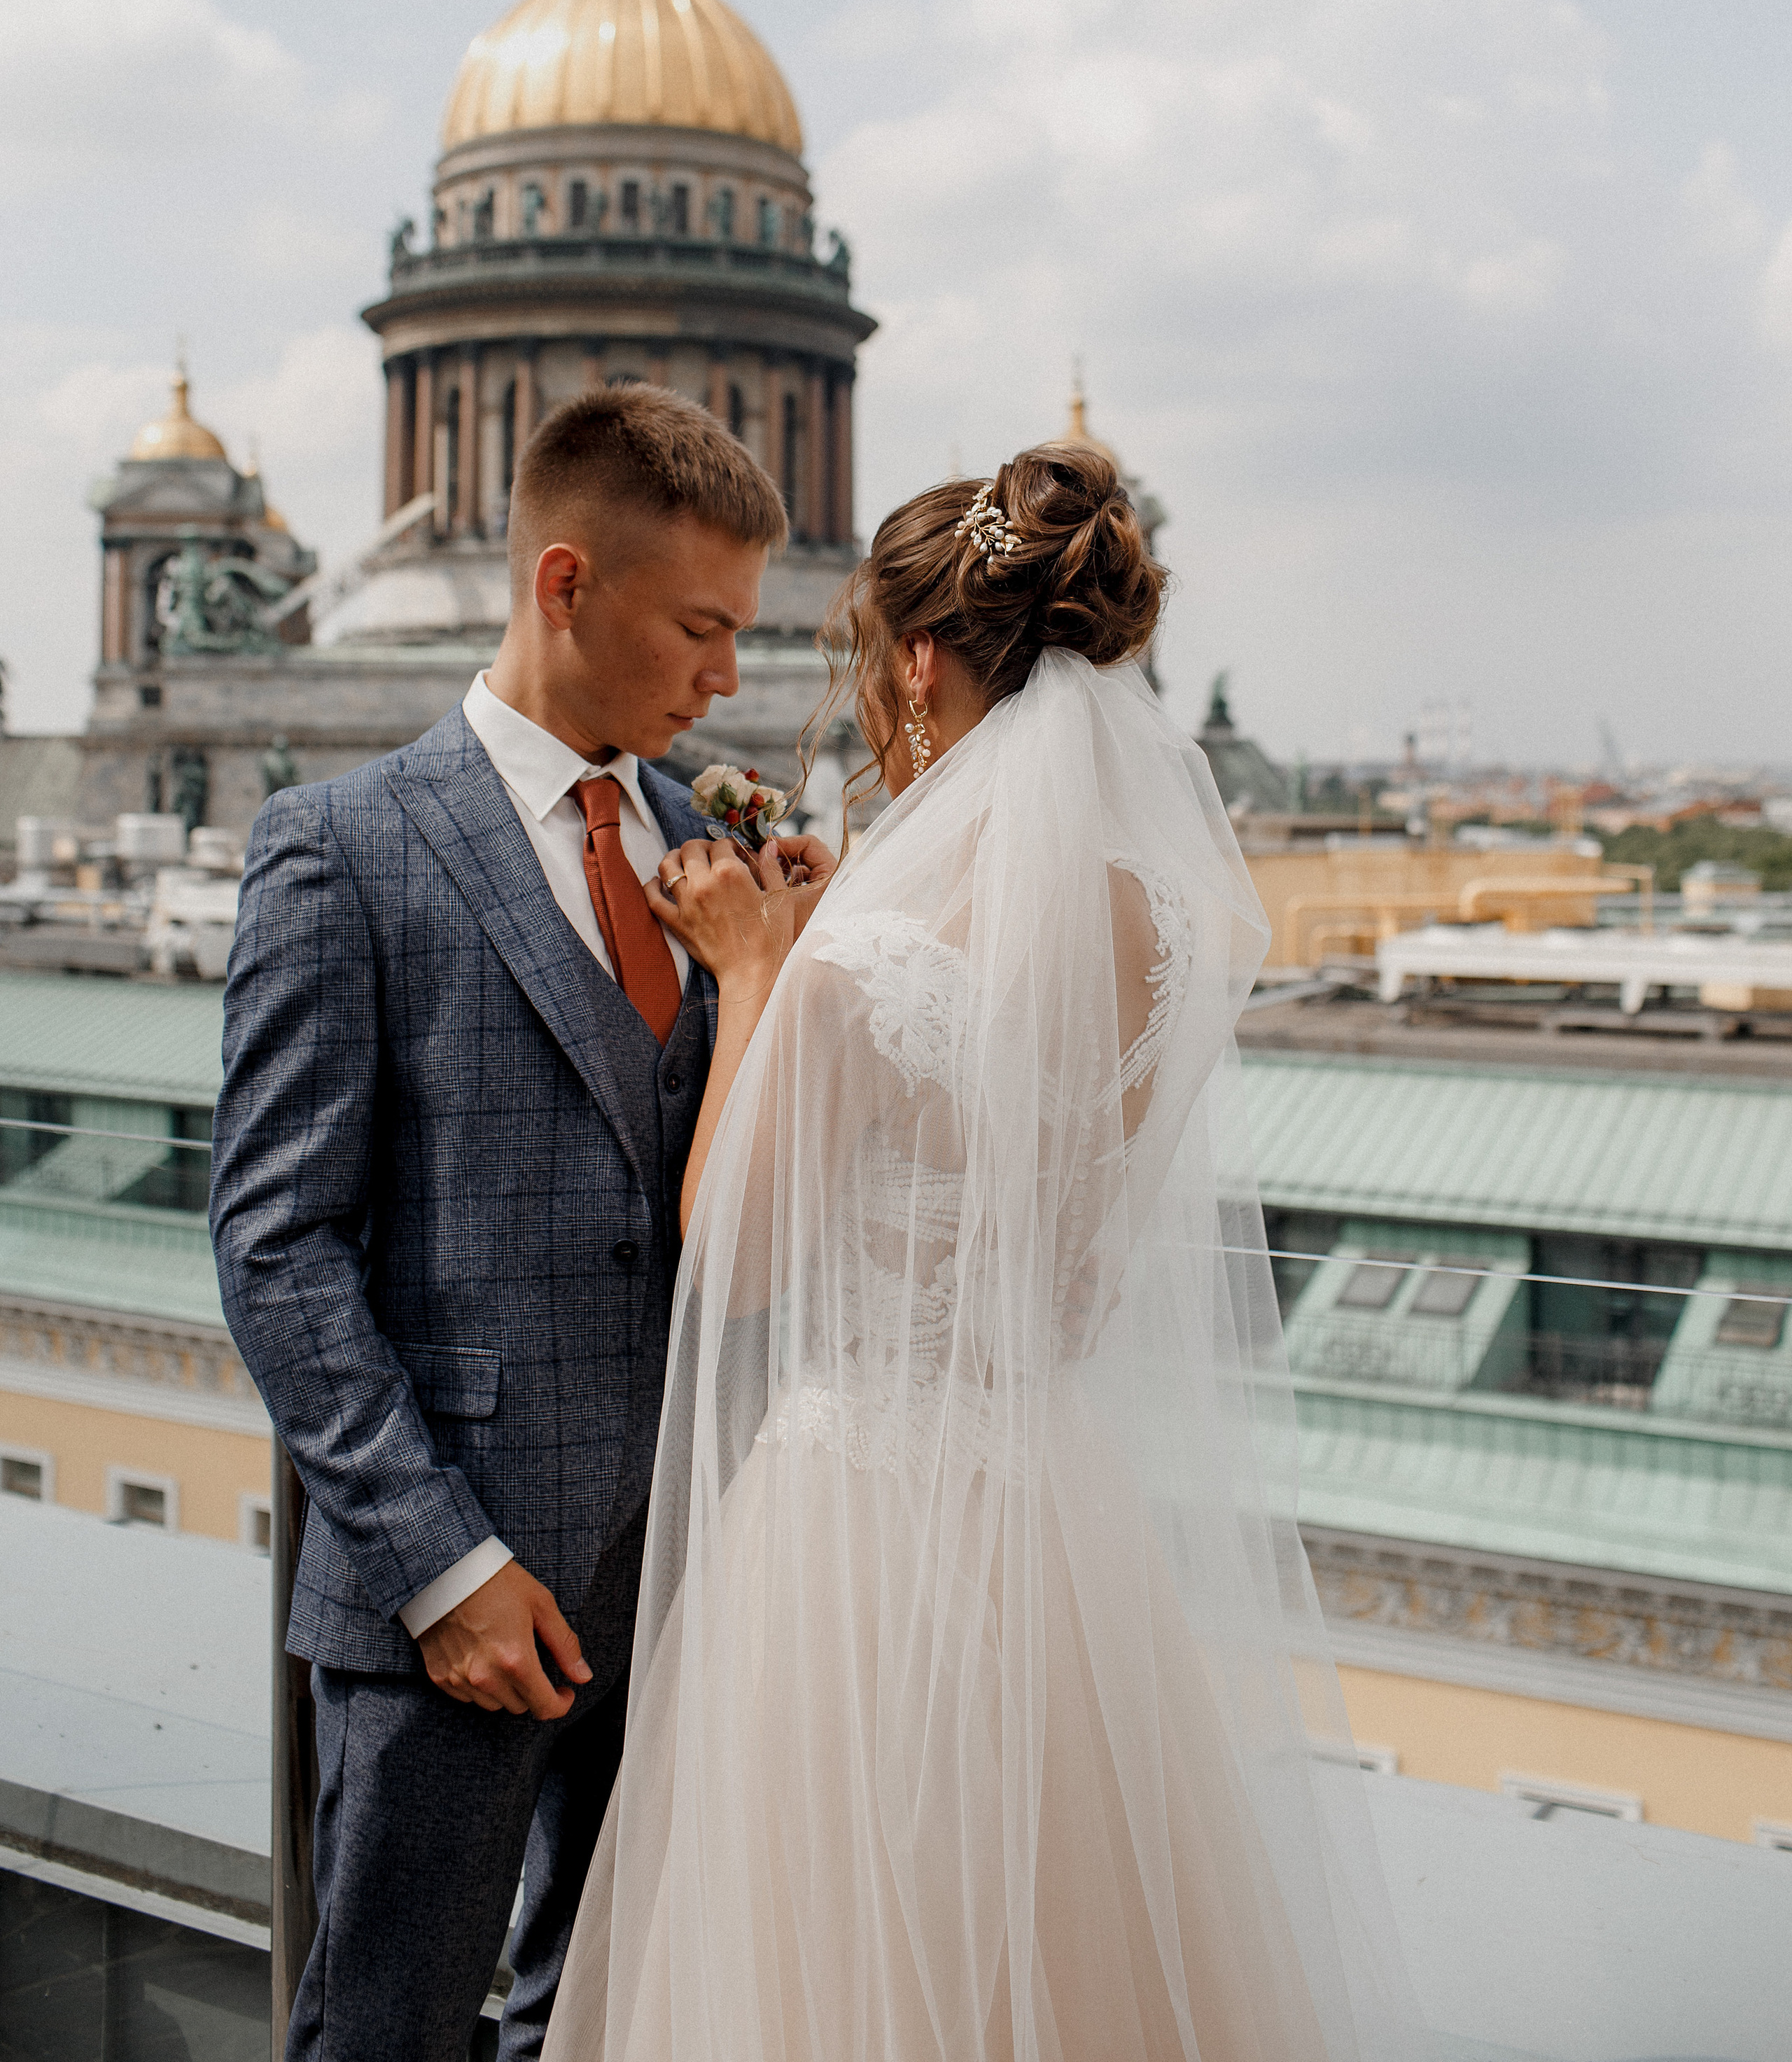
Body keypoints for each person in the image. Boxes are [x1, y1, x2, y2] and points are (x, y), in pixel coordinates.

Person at [545, 440, 1421, 2062]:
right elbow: (1070, 1246)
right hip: (1044, 1508)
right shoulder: (1170, 935)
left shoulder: (865, 951)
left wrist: (757, 970)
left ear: (919, 661)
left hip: (857, 1519)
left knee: (839, 1953)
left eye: (863, 657)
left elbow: (734, 1253)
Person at [209, 386, 832, 2062]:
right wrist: (443, 1567)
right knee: (386, 2035)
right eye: (699, 627)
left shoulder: (713, 849)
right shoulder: (338, 847)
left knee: (612, 2027)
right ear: (565, 584)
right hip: (455, 1609)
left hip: (690, 1586)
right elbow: (275, 1246)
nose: (728, 676)